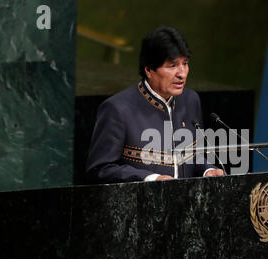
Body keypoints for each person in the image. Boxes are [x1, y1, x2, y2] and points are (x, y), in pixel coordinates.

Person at [86, 26, 224, 183]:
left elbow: (194, 155)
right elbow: (100, 169)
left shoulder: (191, 100)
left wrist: (208, 170)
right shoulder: (117, 109)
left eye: (184, 63)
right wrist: (152, 179)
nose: (182, 73)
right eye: (172, 66)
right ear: (149, 70)